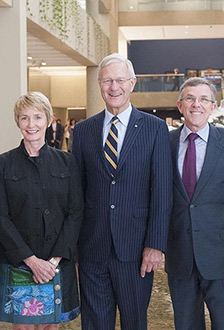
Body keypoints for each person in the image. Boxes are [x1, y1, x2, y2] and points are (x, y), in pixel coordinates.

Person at [72, 53, 172, 330]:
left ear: (132, 83)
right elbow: (77, 192)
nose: (113, 87)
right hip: (92, 248)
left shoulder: (155, 129)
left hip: (137, 249)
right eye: (107, 81)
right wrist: (74, 245)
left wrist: (156, 244)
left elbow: (162, 191)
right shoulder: (83, 131)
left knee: (134, 322)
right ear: (99, 84)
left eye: (119, 80)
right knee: (94, 323)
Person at [0, 92, 83, 329]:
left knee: (51, 325)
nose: (31, 125)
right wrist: (31, 260)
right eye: (24, 118)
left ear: (48, 120)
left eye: (38, 117)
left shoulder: (67, 162)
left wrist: (53, 260)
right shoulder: (2, 163)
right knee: (23, 326)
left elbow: (76, 212)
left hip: (57, 262)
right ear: (17, 122)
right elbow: (0, 215)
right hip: (20, 261)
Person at [165, 77, 224, 330]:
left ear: (213, 106)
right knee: (186, 324)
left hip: (221, 253)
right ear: (180, 105)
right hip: (180, 254)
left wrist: (221, 227)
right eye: (190, 98)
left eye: (203, 99)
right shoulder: (163, 143)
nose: (196, 105)